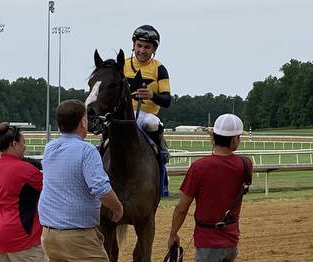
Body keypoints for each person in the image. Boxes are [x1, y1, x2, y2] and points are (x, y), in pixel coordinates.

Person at [38, 99, 124, 262]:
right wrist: (118, 208)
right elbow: (101, 190)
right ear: (83, 123)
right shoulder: (87, 150)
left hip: (50, 236)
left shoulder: (50, 148)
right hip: (78, 237)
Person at [167, 113, 253, 262]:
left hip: (207, 243)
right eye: (239, 136)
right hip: (231, 241)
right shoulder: (246, 164)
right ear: (234, 139)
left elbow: (181, 208)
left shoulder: (198, 167)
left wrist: (173, 234)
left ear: (212, 137)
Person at [0, 123, 44, 262]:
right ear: (14, 144)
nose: (25, 147)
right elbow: (51, 190)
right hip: (20, 237)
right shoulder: (25, 170)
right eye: (23, 143)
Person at [124, 24, 171, 162]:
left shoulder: (159, 68)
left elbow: (167, 100)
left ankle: (160, 153)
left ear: (154, 48)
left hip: (147, 117)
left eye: (147, 47)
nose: (142, 50)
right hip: (124, 115)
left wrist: (152, 95)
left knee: (152, 123)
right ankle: (101, 147)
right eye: (139, 46)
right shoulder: (122, 65)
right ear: (134, 45)